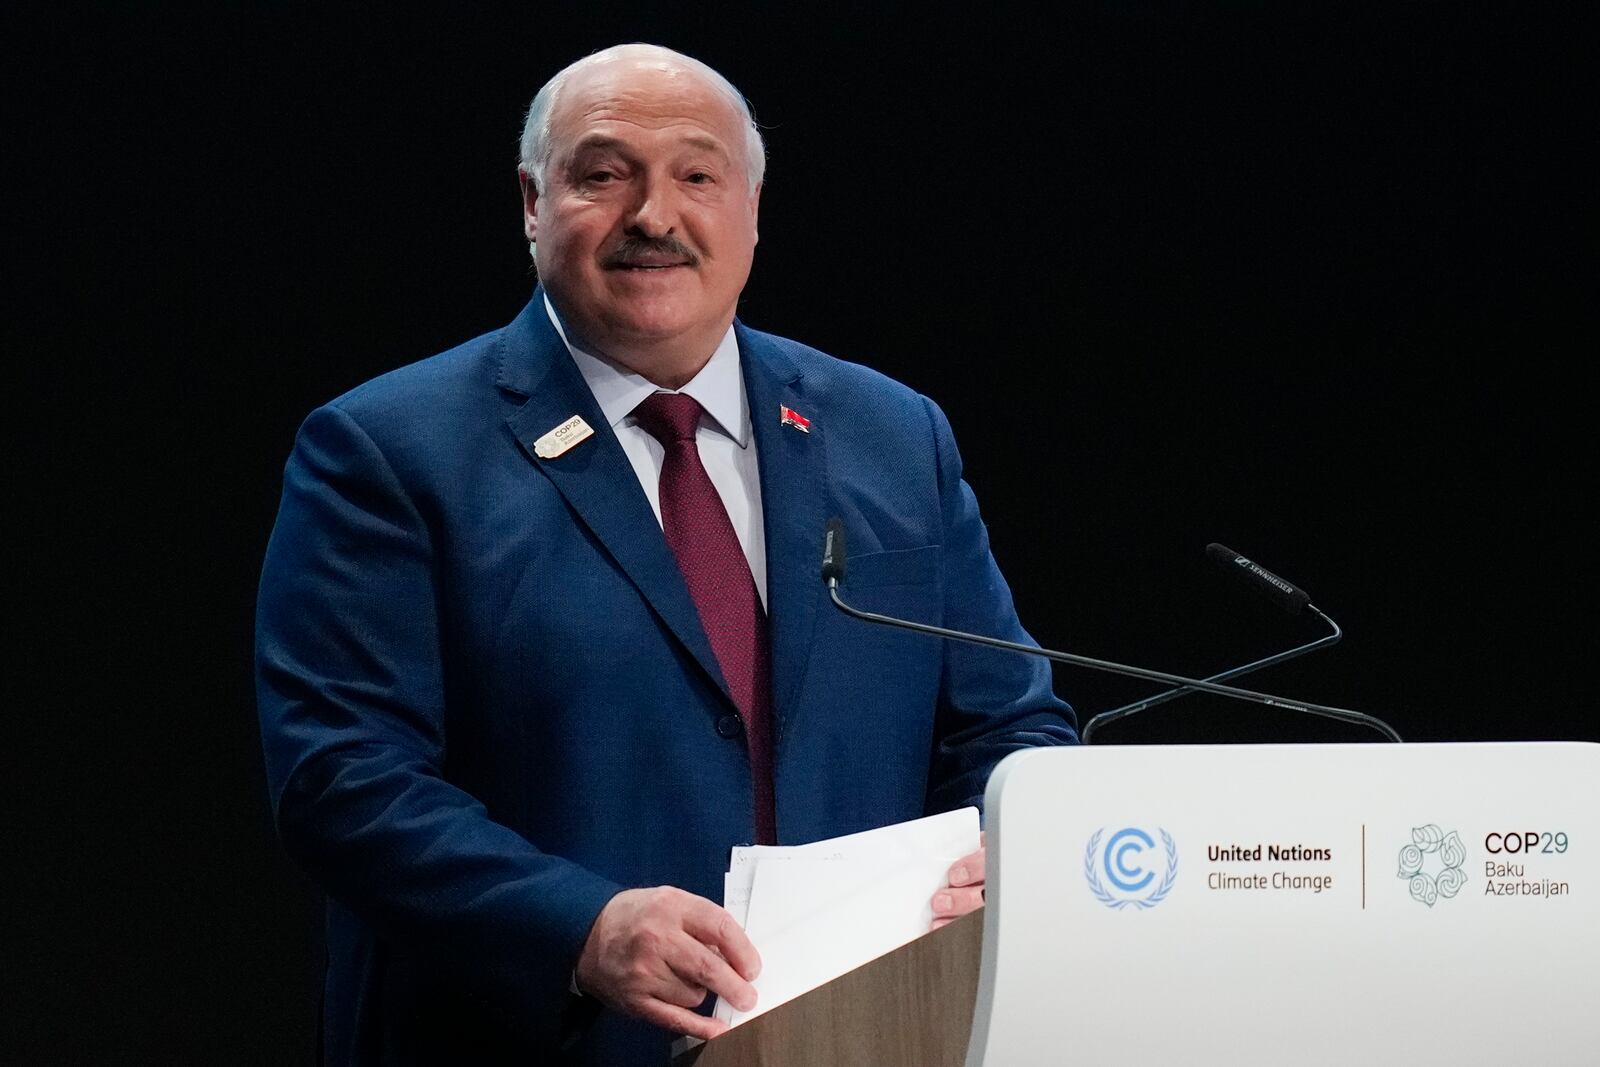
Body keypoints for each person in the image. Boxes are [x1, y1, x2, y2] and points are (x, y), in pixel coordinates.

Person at [256, 43, 1077, 1066]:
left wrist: (1011, 845)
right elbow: (343, 779)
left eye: (697, 175)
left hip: (873, 1033)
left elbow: (1011, 721)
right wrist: (581, 926)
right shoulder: (388, 449)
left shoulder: (891, 435)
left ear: (753, 209)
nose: (653, 215)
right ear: (530, 201)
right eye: (603, 175)